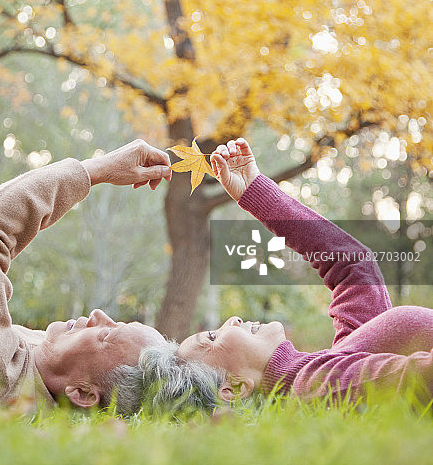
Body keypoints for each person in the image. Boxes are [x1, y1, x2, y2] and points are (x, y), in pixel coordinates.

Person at [0, 139, 177, 413]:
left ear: (83, 393)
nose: (98, 315)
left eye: (105, 336)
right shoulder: (44, 364)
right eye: (116, 322)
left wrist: (95, 170)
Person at [177, 138, 433, 405]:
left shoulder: (328, 367)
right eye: (212, 336)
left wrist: (254, 191)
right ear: (233, 388)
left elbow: (354, 265)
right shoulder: (315, 387)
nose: (233, 319)